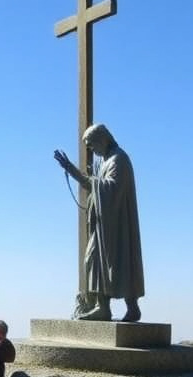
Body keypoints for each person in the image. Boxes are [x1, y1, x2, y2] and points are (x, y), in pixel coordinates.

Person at [54, 123, 144, 322]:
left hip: (118, 224)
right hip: (104, 224)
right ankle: (101, 305)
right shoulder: (106, 161)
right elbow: (93, 184)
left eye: (92, 145)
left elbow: (112, 188)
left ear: (102, 139)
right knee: (93, 259)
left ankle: (124, 308)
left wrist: (95, 182)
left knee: (120, 260)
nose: (92, 151)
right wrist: (70, 169)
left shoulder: (119, 159)